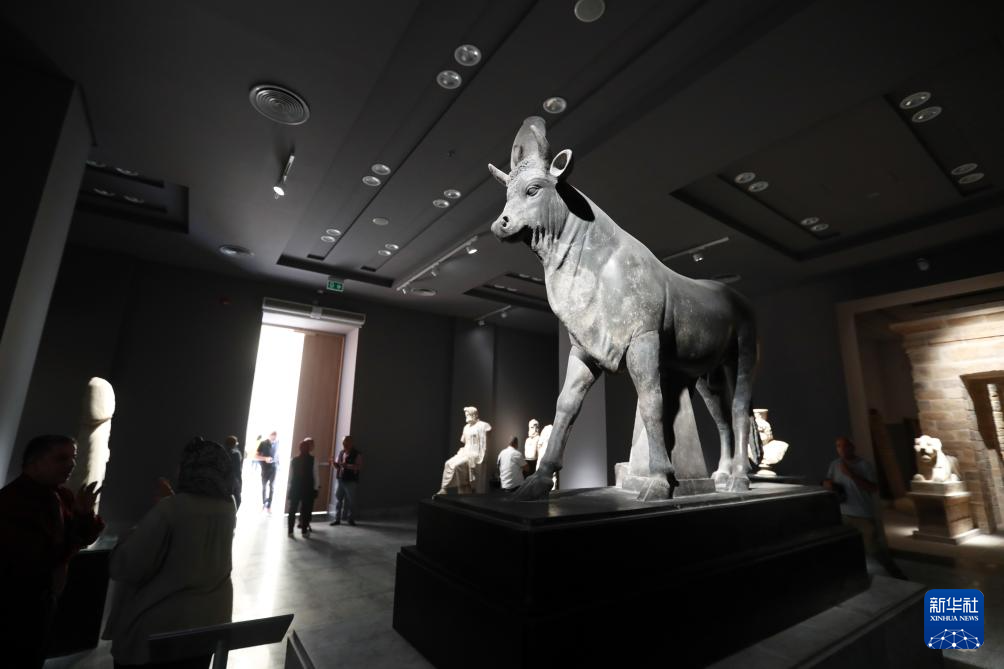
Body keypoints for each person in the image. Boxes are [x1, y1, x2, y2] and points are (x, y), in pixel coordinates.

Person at [102, 438, 237, 668]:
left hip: (160, 628)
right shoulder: (228, 507)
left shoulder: (171, 509)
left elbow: (126, 565)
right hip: (209, 624)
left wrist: (133, 532)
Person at [0, 435, 104, 669]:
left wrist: (84, 515)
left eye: (73, 458)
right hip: (15, 605)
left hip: (43, 603)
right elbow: (35, 559)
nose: (71, 464)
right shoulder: (12, 502)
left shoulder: (61, 496)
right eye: (61, 458)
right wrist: (75, 534)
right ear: (34, 462)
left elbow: (84, 537)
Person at [823, 436, 906, 579]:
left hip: (862, 514)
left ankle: (898, 576)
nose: (841, 449)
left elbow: (872, 488)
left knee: (874, 549)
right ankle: (857, 578)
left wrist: (851, 474)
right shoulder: (834, 464)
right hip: (844, 513)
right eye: (838, 446)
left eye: (845, 445)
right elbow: (828, 480)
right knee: (849, 548)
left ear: (852, 447)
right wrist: (828, 484)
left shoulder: (864, 465)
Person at [437, 406, 492, 495]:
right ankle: (444, 488)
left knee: (457, 465)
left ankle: (465, 484)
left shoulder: (483, 425)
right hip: (465, 452)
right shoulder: (466, 427)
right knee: (448, 463)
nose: (466, 417)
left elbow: (484, 443)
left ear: (473, 415)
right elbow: (464, 441)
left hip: (474, 454)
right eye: (465, 415)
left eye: (467, 415)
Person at [288, 438, 319, 536]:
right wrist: (316, 488)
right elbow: (316, 475)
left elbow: (290, 476)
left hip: (296, 487)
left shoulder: (294, 460)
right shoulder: (313, 460)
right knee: (305, 510)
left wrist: (289, 488)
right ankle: (304, 531)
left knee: (293, 509)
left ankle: (290, 531)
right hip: (307, 488)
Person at [330, 435, 363, 526]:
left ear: (351, 443)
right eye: (343, 442)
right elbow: (338, 466)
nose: (344, 444)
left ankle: (350, 519)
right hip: (340, 480)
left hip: (351, 481)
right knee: (338, 500)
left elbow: (359, 467)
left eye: (346, 442)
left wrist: (347, 466)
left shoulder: (357, 454)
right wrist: (333, 463)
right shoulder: (341, 453)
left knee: (351, 501)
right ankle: (337, 519)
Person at [255, 431, 278, 512]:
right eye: (273, 436)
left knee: (272, 486)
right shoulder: (263, 443)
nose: (274, 438)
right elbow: (256, 456)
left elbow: (277, 455)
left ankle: (269, 504)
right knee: (264, 486)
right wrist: (265, 458)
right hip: (265, 468)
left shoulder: (277, 443)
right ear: (270, 435)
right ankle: (264, 502)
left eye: (276, 436)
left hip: (274, 468)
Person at [224, 435, 244, 509]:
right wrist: (240, 482)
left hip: (223, 478)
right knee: (237, 499)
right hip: (233, 479)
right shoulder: (236, 454)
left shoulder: (222, 451)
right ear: (234, 444)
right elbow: (237, 470)